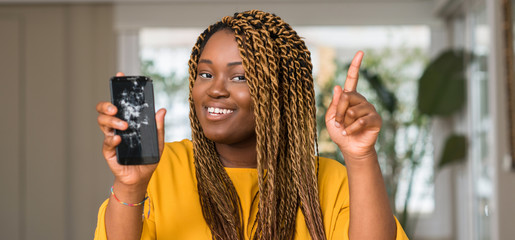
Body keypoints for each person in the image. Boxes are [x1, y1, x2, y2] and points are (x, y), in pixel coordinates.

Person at [94, 10, 409, 240]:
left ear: (282, 92)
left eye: (239, 77)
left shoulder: (329, 182)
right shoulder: (161, 169)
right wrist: (131, 186)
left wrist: (361, 156)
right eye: (205, 74)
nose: (215, 89)